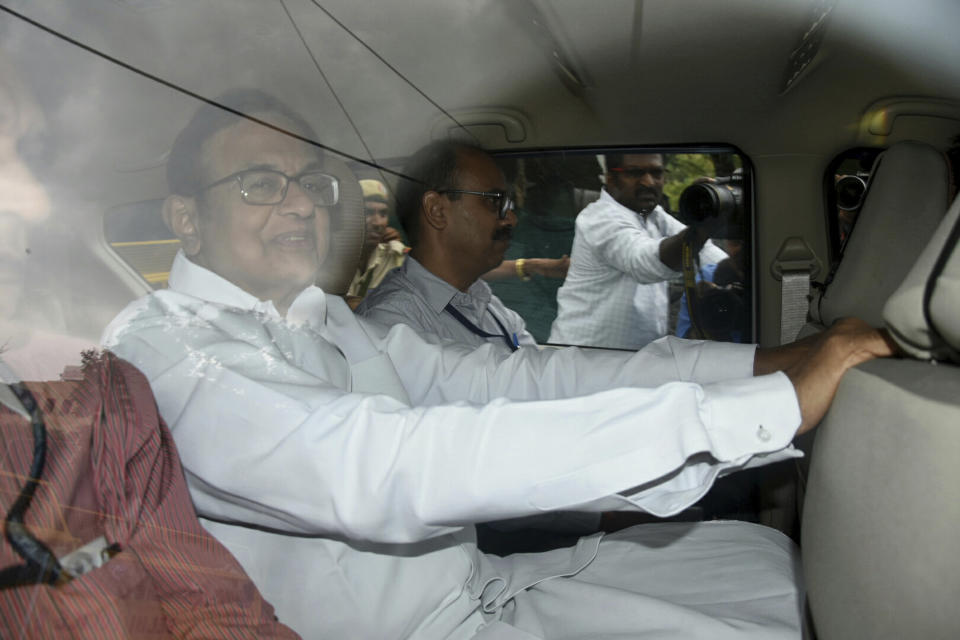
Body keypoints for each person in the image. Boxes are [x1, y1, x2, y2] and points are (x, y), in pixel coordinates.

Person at [103, 89, 894, 639]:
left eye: (311, 180)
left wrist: (767, 369)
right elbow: (377, 464)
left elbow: (520, 379)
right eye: (260, 183)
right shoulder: (167, 349)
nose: (305, 203)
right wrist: (759, 410)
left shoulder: (325, 317)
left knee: (764, 570)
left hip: (483, 592)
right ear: (185, 218)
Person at [0, 66, 295, 638]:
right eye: (259, 185)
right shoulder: (150, 353)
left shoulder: (103, 394)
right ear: (186, 220)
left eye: (26, 155)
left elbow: (214, 608)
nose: (33, 203)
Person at [357, 141, 538, 355]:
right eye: (494, 201)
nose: (511, 219)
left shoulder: (489, 307)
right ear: (437, 211)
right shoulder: (391, 323)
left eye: (508, 205)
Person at [549, 153, 728, 350]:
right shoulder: (599, 218)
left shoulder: (653, 216)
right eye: (635, 173)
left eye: (656, 173)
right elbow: (645, 263)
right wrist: (701, 227)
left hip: (633, 363)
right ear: (610, 178)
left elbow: (710, 257)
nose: (649, 182)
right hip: (581, 362)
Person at [344, 178, 408, 310]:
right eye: (368, 212)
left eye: (383, 214)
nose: (377, 222)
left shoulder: (399, 259)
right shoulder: (328, 260)